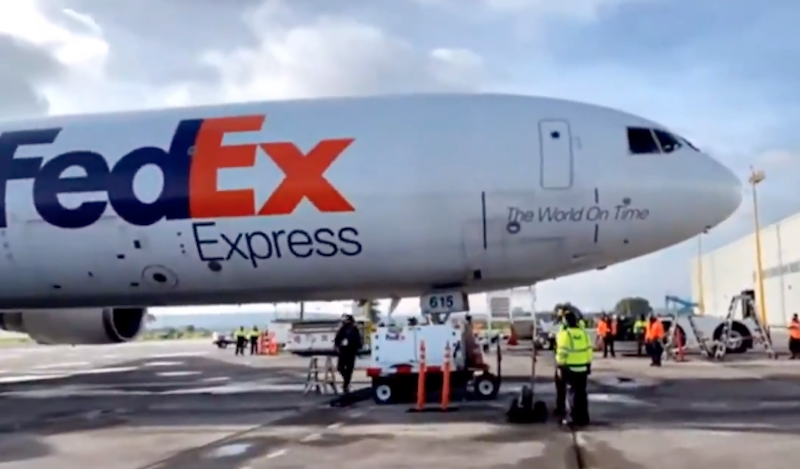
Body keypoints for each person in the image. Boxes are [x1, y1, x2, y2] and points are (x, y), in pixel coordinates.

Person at [554, 310, 593, 426]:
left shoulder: (565, 335)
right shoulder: (584, 334)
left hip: (570, 368)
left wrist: (559, 366)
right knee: (582, 393)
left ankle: (573, 418)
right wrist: (588, 364)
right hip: (583, 368)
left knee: (572, 393)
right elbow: (589, 351)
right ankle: (584, 418)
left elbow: (561, 353)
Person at [334, 314, 363, 393]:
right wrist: (338, 344)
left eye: (346, 320)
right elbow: (337, 338)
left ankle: (346, 384)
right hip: (344, 351)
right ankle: (346, 381)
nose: (344, 321)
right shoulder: (343, 328)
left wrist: (355, 346)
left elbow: (358, 340)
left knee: (348, 369)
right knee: (341, 367)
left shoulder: (353, 329)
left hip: (350, 351)